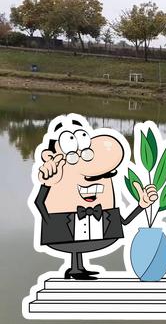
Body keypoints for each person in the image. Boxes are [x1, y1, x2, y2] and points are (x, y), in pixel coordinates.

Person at [33, 115, 158, 279]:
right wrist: (47, 188)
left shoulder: (105, 210)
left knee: (79, 244)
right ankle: (75, 268)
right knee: (73, 244)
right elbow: (38, 202)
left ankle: (78, 268)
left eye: (105, 175)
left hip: (96, 229)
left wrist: (142, 204)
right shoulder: (56, 180)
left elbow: (124, 221)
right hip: (64, 227)